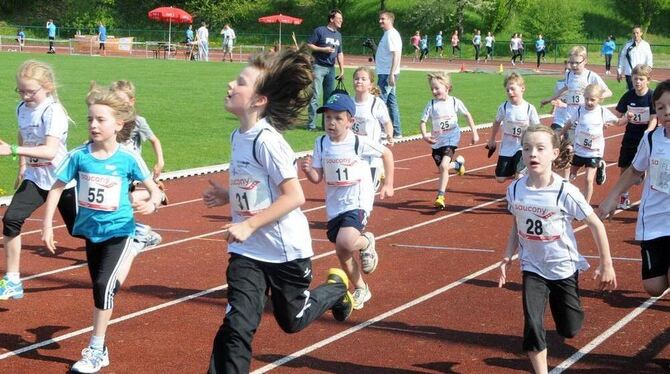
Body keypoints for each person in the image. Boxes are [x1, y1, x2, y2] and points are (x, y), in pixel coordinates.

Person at [203, 46, 354, 374]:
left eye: (241, 82)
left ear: (259, 100)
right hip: (247, 253)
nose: (231, 84)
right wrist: (228, 195)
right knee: (236, 325)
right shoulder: (238, 135)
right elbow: (255, 186)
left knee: (293, 321)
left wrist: (249, 225)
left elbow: (293, 196)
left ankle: (337, 288)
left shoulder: (268, 142)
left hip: (285, 251)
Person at [41, 82, 163, 373]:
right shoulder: (79, 156)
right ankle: (136, 248)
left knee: (102, 286)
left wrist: (153, 203)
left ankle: (96, 349)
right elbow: (56, 188)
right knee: (105, 287)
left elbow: (154, 189)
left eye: (100, 120)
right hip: (91, 232)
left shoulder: (127, 157)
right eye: (90, 119)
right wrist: (47, 225)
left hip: (119, 229)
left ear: (118, 124)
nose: (93, 125)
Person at [499, 124, 617, 374]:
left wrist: (606, 264)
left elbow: (596, 224)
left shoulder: (565, 191)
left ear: (554, 153)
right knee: (532, 323)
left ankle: (564, 306)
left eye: (540, 148)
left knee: (569, 329)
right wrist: (508, 254)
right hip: (532, 267)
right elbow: (516, 223)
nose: (533, 154)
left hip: (563, 267)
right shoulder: (515, 189)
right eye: (527, 148)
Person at [301, 93, 394, 310]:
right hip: (335, 205)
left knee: (345, 242)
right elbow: (317, 178)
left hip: (358, 200)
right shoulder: (321, 142)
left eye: (337, 118)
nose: (331, 123)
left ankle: (365, 242)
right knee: (341, 250)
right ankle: (362, 287)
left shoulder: (358, 143)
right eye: (327, 118)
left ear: (351, 121)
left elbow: (386, 154)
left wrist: (388, 183)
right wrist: (307, 171)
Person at [0, 60, 78, 300]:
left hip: (61, 179)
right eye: (21, 91)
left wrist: (13, 150)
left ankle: (129, 231)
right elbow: (23, 134)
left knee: (80, 230)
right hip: (35, 177)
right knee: (11, 219)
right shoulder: (21, 108)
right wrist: (22, 166)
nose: (25, 95)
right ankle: (13, 279)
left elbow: (50, 151)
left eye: (30, 91)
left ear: (48, 87)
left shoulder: (53, 112)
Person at [598, 79, 670, 298]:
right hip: (654, 220)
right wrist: (612, 197)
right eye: (661, 107)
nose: (667, 111)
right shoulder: (651, 139)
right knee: (654, 288)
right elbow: (634, 171)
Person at [111, 80, 168, 251]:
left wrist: (160, 161)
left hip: (129, 170)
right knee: (115, 204)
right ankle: (151, 196)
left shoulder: (138, 122)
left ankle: (141, 231)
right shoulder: (110, 119)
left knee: (116, 204)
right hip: (113, 168)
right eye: (114, 99)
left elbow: (154, 140)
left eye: (122, 100)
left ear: (131, 101)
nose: (118, 104)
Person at [419, 72, 479, 209]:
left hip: (452, 138)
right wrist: (424, 135)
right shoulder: (431, 104)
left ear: (447, 87)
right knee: (443, 167)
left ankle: (440, 196)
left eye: (437, 88)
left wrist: (474, 133)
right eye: (432, 89)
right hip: (437, 142)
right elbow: (422, 122)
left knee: (444, 166)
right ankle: (457, 165)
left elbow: (467, 115)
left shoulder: (454, 102)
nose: (434, 91)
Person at [560, 84, 618, 203]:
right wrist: (560, 133)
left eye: (593, 100)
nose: (589, 102)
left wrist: (627, 118)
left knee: (588, 179)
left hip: (594, 152)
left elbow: (618, 122)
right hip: (579, 150)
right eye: (587, 99)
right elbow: (570, 123)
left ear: (599, 99)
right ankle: (568, 196)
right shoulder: (580, 110)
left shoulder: (602, 111)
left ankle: (585, 205)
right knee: (571, 174)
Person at [611, 64, 657, 209]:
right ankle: (623, 197)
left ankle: (649, 197)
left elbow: (654, 118)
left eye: (641, 79)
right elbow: (616, 117)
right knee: (624, 166)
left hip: (647, 137)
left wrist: (648, 132)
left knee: (651, 167)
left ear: (648, 80)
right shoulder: (628, 96)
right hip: (630, 136)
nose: (637, 82)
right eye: (635, 79)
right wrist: (623, 117)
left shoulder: (651, 96)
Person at [487, 73, 541, 183]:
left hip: (523, 146)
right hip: (507, 145)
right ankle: (519, 172)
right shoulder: (504, 107)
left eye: (512, 89)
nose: (510, 92)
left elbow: (537, 127)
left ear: (522, 88)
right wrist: (492, 139)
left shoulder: (529, 108)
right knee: (500, 178)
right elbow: (497, 122)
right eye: (507, 90)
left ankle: (520, 191)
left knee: (519, 176)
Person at [351, 66, 393, 191]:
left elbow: (387, 122)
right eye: (356, 79)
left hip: (372, 152)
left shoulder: (376, 103)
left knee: (369, 190)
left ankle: (379, 170)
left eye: (363, 79)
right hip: (353, 151)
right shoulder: (349, 102)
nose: (359, 81)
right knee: (355, 186)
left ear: (370, 84)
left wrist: (389, 135)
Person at [306, 9, 344, 131]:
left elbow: (340, 53)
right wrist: (324, 50)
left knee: (329, 99)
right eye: (339, 19)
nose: (341, 21)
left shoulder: (338, 35)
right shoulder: (320, 31)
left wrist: (342, 69)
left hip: (331, 69)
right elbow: (309, 45)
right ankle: (311, 125)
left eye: (341, 19)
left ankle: (325, 126)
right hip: (318, 66)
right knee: (315, 96)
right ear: (331, 19)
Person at [375, 11, 403, 139]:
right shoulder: (387, 34)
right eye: (380, 19)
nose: (380, 21)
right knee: (392, 102)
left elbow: (396, 54)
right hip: (385, 72)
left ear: (390, 20)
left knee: (380, 101)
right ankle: (397, 131)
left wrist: (391, 74)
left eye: (383, 19)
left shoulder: (391, 34)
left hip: (387, 74)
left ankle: (381, 130)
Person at [617, 25, 653, 91]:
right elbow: (621, 58)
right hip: (630, 73)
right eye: (634, 33)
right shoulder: (627, 45)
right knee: (632, 91)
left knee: (642, 91)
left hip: (642, 73)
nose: (635, 35)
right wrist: (619, 71)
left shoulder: (646, 45)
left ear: (641, 33)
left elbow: (649, 58)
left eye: (637, 33)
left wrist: (649, 68)